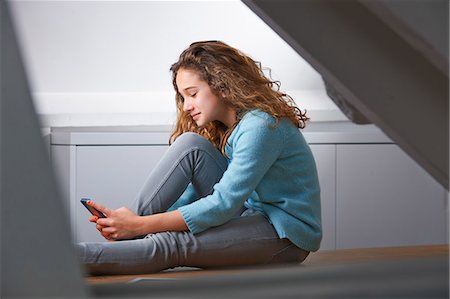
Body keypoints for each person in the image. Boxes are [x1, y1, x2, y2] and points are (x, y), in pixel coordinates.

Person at [77, 41, 321, 275]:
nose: (186, 106)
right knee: (190, 146)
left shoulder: (261, 127)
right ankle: (128, 234)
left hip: (285, 235)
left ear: (223, 85)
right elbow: (192, 197)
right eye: (183, 97)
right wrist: (132, 224)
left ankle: (73, 257)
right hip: (248, 214)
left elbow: (222, 204)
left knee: (172, 244)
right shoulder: (227, 127)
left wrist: (142, 225)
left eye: (192, 94)